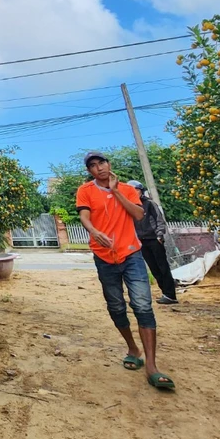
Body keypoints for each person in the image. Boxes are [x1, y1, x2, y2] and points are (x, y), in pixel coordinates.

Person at [76, 151, 175, 390]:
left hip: (131, 254)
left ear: (109, 164)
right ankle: (132, 348)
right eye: (93, 165)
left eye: (102, 162)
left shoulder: (128, 189)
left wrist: (116, 191)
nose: (99, 167)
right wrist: (94, 231)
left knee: (142, 305)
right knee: (116, 306)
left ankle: (151, 365)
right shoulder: (85, 191)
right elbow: (84, 216)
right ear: (89, 171)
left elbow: (139, 214)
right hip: (103, 256)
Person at [127, 180, 178, 304]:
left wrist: (159, 235)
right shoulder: (129, 206)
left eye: (136, 190)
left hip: (154, 239)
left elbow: (159, 220)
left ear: (141, 191)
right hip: (141, 241)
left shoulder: (149, 204)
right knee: (154, 268)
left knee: (163, 267)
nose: (134, 192)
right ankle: (165, 293)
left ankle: (170, 295)